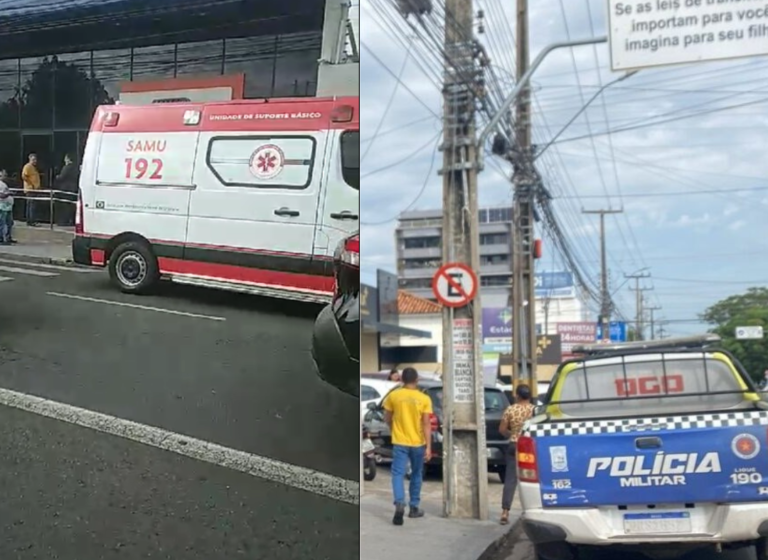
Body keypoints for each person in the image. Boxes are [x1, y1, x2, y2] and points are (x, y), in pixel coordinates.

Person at [382, 367, 432, 526]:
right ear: (417, 380)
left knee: (397, 474)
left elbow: (387, 418)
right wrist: (429, 447)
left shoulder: (394, 396)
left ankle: (399, 502)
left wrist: (393, 429)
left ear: (401, 380)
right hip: (418, 443)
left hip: (400, 442)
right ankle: (414, 507)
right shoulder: (424, 398)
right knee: (416, 474)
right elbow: (426, 423)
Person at [498, 383, 536, 525]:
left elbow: (502, 429)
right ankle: (533, 510)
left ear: (517, 395)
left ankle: (505, 512)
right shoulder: (535, 410)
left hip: (514, 445)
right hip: (530, 447)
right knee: (532, 479)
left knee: (510, 480)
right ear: (529, 396)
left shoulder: (510, 409)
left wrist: (512, 434)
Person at [54, 154, 79, 226]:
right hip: (73, 188)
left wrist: (57, 176)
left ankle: (64, 221)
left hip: (66, 188)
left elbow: (62, 177)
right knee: (71, 205)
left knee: (65, 205)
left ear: (68, 159)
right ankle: (71, 220)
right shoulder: (75, 167)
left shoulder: (67, 167)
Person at [22, 153, 41, 227]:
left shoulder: (33, 167)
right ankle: (31, 221)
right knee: (31, 206)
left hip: (34, 189)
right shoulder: (28, 166)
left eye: (35, 159)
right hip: (30, 189)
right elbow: (24, 176)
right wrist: (31, 184)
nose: (35, 161)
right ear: (29, 159)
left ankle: (30, 220)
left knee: (32, 205)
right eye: (33, 159)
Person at [0, 170, 15, 245]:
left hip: (8, 206)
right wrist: (8, 194)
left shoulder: (4, 184)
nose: (5, 176)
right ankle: (1, 239)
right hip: (2, 206)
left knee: (10, 223)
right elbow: (1, 195)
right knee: (2, 223)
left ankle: (8, 237)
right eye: (4, 175)